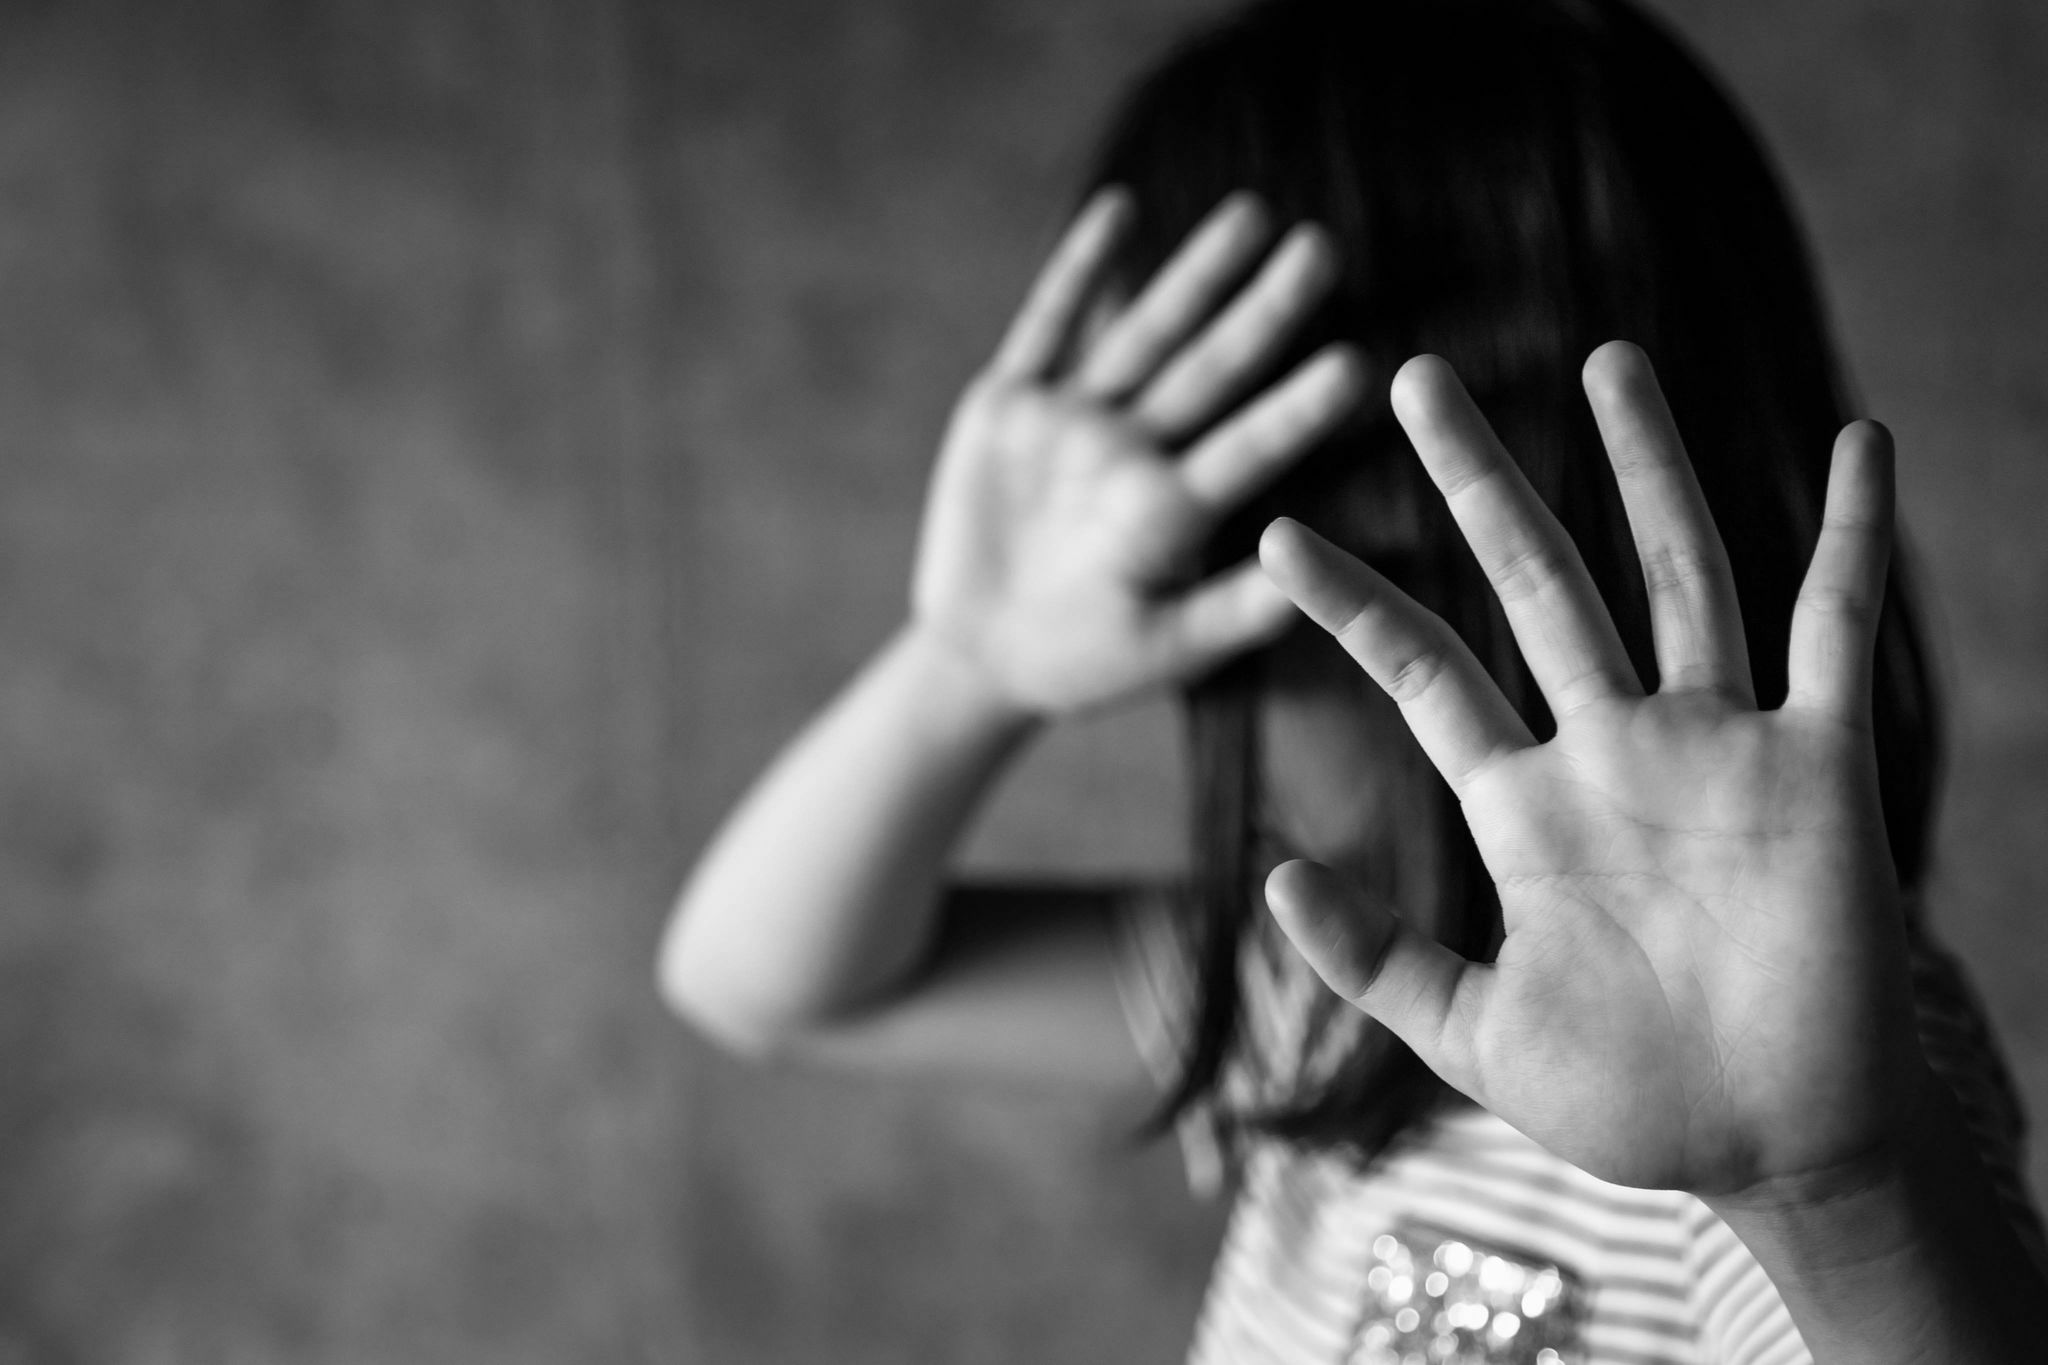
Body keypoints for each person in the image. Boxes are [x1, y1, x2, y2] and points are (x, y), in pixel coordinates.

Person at [659, 0, 2048, 1360]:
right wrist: (968, 667)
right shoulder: (1339, 981)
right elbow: (766, 985)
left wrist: (1826, 1198)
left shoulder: (1791, 1063)